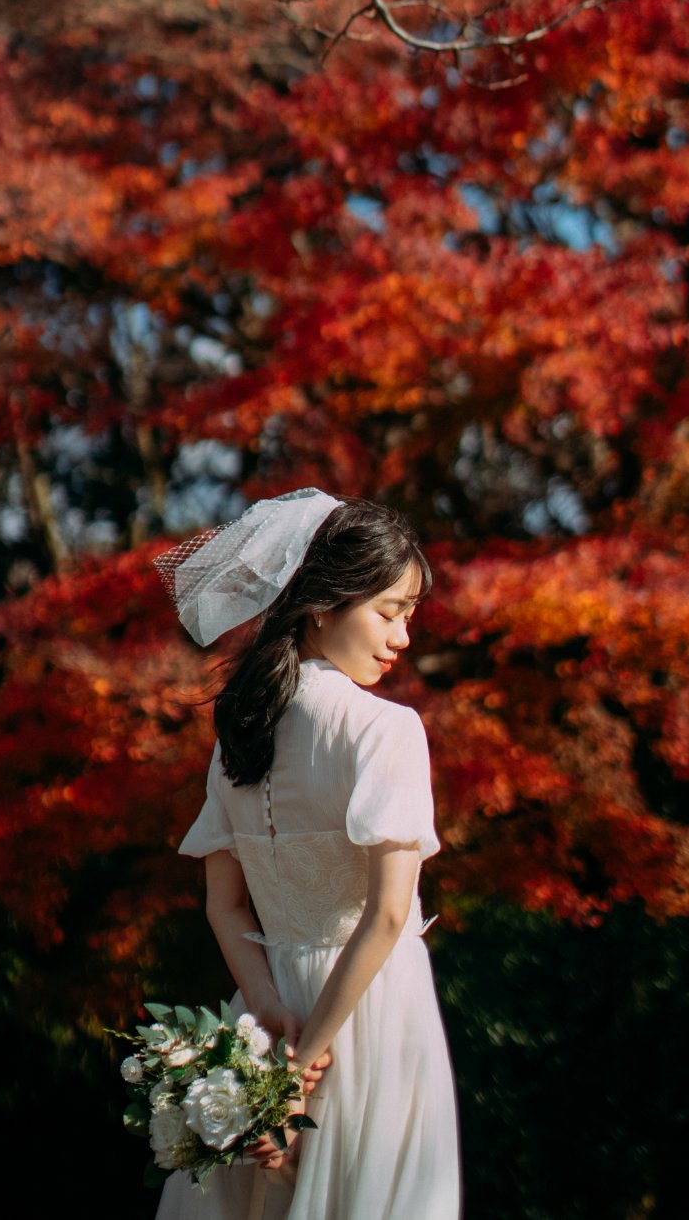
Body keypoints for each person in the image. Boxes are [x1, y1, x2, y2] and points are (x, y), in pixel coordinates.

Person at [152, 489, 462, 1220]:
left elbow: (222, 904)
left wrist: (265, 1016)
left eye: (408, 617)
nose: (402, 638)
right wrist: (297, 1074)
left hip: (270, 1007)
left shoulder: (238, 735)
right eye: (388, 611)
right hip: (366, 1013)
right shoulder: (385, 729)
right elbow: (387, 915)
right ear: (322, 603)